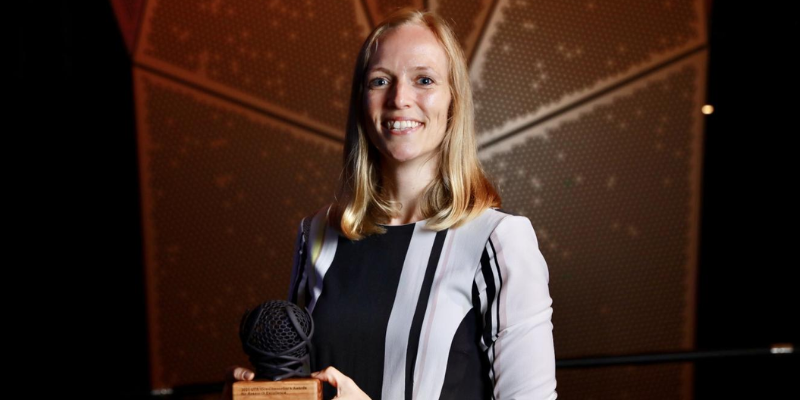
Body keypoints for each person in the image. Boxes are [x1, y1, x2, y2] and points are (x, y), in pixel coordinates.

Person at [223, 8, 556, 400]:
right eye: (380, 81)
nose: (400, 99)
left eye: (424, 80)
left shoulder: (498, 241)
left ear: (453, 102)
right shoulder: (315, 234)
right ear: (362, 103)